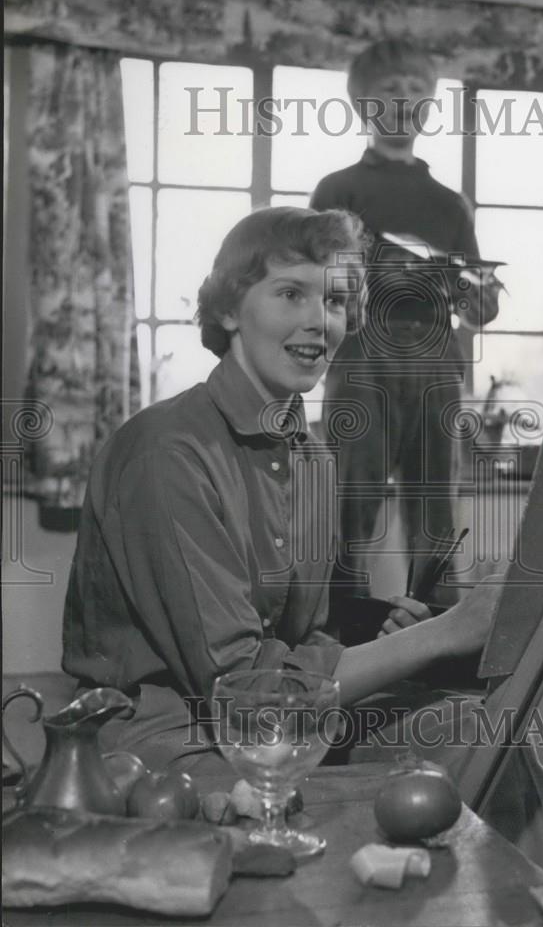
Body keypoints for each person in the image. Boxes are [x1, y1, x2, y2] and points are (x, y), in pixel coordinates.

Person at [61, 207, 500, 775]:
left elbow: (307, 641)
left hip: (286, 723)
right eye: (291, 294)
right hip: (164, 741)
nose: (319, 322)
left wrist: (390, 639)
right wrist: (444, 634)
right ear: (227, 309)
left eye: (336, 301)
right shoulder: (166, 454)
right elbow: (242, 687)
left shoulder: (313, 457)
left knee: (476, 730)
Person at [310, 38, 502, 608]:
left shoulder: (449, 204)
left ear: (431, 104)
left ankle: (438, 631)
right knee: (351, 499)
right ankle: (337, 633)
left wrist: (481, 298)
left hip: (437, 362)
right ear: (362, 103)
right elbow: (318, 281)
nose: (406, 100)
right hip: (361, 359)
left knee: (437, 506)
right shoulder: (337, 189)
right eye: (391, 89)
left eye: (418, 89)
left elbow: (479, 298)